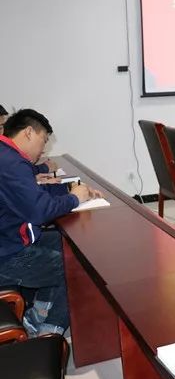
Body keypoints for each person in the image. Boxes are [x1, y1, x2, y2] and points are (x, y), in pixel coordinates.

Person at [0, 109, 101, 336]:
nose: (43, 148)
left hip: (9, 240)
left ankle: (38, 314)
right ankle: (49, 331)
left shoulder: (7, 156)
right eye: (43, 140)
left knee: (65, 242)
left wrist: (70, 190)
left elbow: (32, 196)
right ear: (28, 132)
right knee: (81, 267)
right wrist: (75, 198)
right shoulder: (11, 163)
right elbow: (40, 212)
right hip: (7, 255)